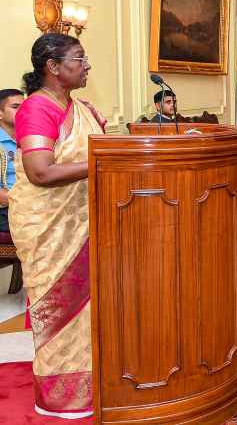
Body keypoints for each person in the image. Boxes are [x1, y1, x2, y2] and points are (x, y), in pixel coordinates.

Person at [8, 33, 107, 418]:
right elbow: (40, 171)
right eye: (79, 58)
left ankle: (96, 382)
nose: (87, 65)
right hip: (49, 224)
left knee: (90, 310)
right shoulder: (37, 109)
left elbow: (109, 149)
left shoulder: (83, 109)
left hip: (86, 220)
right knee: (62, 309)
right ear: (53, 67)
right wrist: (103, 165)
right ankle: (63, 397)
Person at [0, 89, 24, 233]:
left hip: (35, 205)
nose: (23, 111)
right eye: (15, 107)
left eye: (24, 106)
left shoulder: (32, 138)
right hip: (6, 208)